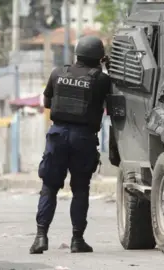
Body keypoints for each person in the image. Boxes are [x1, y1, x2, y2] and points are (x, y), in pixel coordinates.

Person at [30, 36, 112, 254]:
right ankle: (77, 240)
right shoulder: (101, 79)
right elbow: (113, 102)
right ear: (99, 58)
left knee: (49, 187)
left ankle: (40, 238)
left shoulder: (58, 73)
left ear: (77, 54)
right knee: (80, 189)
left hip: (57, 135)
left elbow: (47, 102)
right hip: (83, 138)